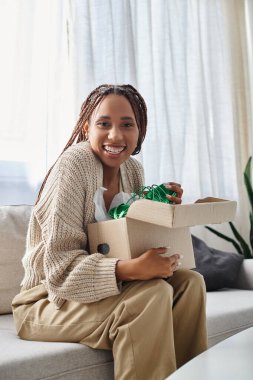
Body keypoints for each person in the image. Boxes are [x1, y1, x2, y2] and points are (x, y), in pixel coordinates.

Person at [12, 84, 207, 379]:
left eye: (127, 125)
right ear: (87, 127)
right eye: (104, 124)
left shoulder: (132, 170)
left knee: (190, 283)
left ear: (139, 131)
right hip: (48, 301)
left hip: (93, 294)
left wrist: (158, 204)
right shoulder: (73, 166)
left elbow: (126, 234)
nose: (116, 136)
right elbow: (59, 270)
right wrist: (129, 269)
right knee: (150, 295)